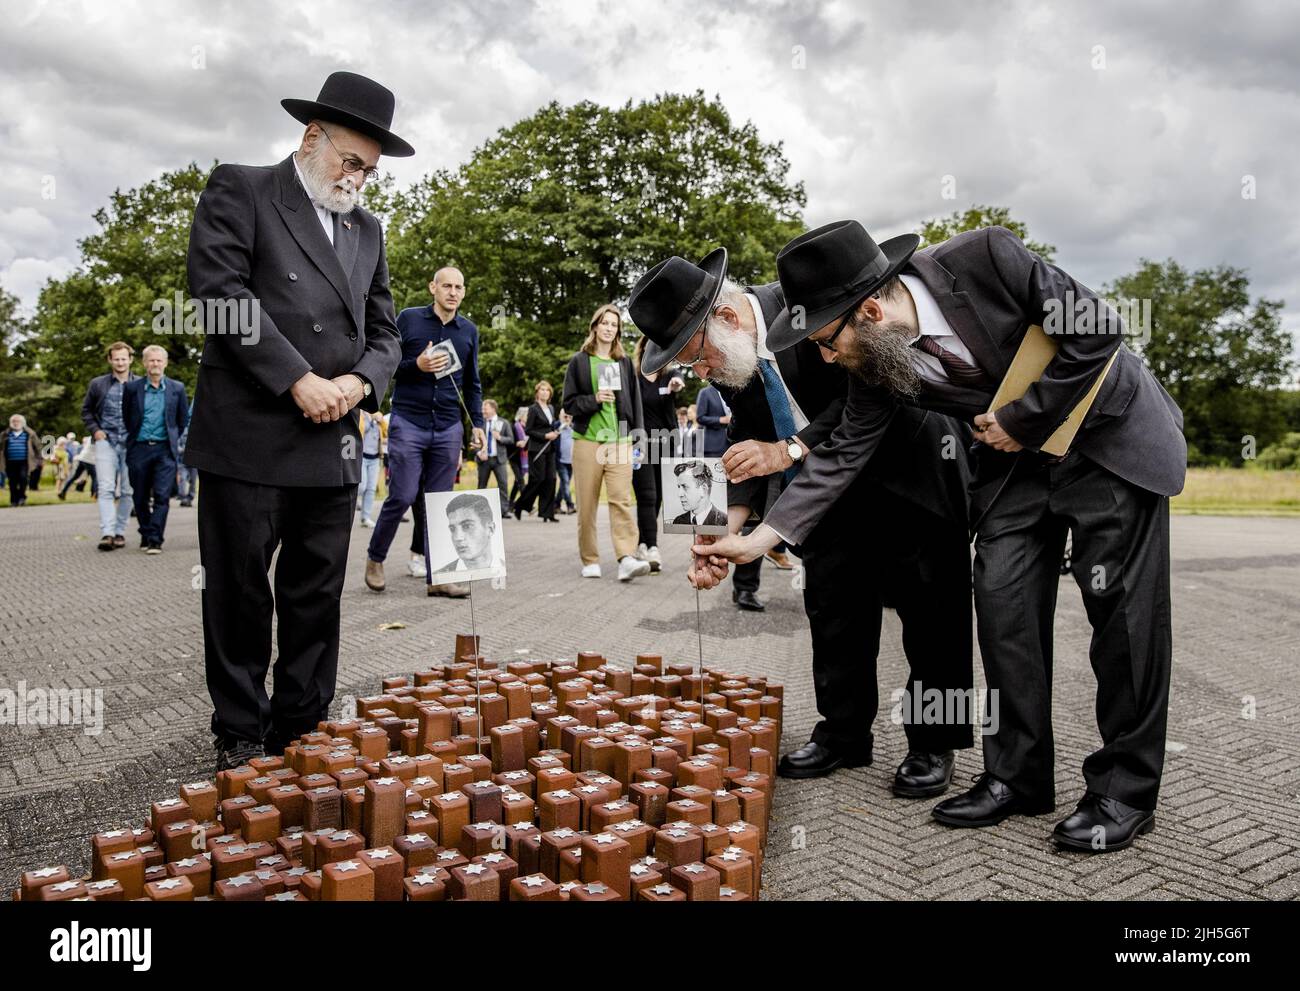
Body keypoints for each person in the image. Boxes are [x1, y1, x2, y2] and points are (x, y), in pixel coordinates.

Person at [700, 221, 1186, 852]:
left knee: (1124, 622)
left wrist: (1020, 418)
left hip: (1106, 440)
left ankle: (1124, 789)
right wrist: (758, 539)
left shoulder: (985, 256)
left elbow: (1096, 328)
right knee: (1004, 607)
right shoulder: (876, 363)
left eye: (826, 342)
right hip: (1014, 470)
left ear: (870, 311)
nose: (824, 359)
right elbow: (844, 449)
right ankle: (1017, 775)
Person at [633, 249, 973, 789]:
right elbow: (748, 440)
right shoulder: (730, 356)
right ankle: (843, 733)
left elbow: (865, 397)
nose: (698, 373)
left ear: (723, 319)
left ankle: (935, 741)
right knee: (834, 608)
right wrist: (725, 528)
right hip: (822, 494)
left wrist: (790, 449)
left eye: (695, 356)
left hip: (911, 469)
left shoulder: (811, 303)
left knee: (933, 614)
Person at [185, 70, 410, 771]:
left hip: (332, 441)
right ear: (313, 137)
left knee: (315, 597)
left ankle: (302, 725)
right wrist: (297, 379)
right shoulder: (243, 189)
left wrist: (355, 382)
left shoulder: (367, 229)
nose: (359, 180)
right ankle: (241, 731)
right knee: (240, 593)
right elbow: (217, 297)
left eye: (370, 172)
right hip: (250, 434)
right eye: (351, 162)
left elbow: (387, 333)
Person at [363, 264, 484, 599]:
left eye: (459, 287)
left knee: (441, 504)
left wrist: (478, 425)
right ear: (433, 287)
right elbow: (387, 365)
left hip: (447, 426)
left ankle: (439, 577)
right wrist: (416, 365)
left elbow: (473, 384)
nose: (453, 293)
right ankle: (375, 559)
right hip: (409, 422)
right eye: (447, 286)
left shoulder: (468, 331)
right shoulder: (409, 319)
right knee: (401, 495)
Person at [561, 304, 651, 582]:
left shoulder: (623, 362)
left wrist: (639, 437)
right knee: (587, 505)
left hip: (620, 441)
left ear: (618, 331)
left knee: (622, 500)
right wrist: (595, 399)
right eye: (605, 323)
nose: (609, 328)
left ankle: (626, 558)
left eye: (614, 324)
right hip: (588, 441)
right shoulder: (579, 361)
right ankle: (590, 560)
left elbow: (636, 402)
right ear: (595, 327)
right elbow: (569, 404)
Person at [122, 345, 189, 553]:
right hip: (139, 449)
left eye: (159, 360)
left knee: (161, 495)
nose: (155, 364)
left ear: (165, 363)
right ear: (144, 363)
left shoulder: (176, 389)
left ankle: (155, 539)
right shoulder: (132, 388)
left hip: (164, 450)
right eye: (151, 360)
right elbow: (127, 416)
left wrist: (172, 439)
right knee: (140, 496)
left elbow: (182, 418)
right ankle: (145, 532)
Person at [631, 336, 684, 572]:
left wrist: (676, 387)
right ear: (642, 350)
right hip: (640, 445)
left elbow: (678, 380)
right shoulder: (634, 379)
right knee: (647, 495)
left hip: (667, 445)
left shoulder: (669, 375)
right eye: (647, 346)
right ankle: (652, 547)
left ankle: (642, 542)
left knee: (660, 497)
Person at [81, 341, 138, 549]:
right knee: (105, 488)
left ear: (130, 359)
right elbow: (86, 411)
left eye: (124, 358)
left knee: (128, 490)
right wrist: (96, 431)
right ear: (110, 360)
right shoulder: (98, 384)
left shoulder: (138, 384)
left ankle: (120, 532)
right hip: (106, 441)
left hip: (130, 442)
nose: (120, 362)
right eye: (116, 359)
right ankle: (107, 533)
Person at [513, 380, 560, 522]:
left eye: (547, 390)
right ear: (537, 392)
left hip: (550, 449)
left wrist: (556, 432)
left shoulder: (551, 408)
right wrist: (545, 436)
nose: (545, 392)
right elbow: (529, 430)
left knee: (551, 479)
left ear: (550, 393)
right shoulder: (533, 409)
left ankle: (547, 513)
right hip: (537, 449)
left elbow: (551, 426)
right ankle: (520, 505)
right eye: (542, 390)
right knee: (537, 479)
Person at [434, 491, 506, 578]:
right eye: (452, 529)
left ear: (490, 529)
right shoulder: (440, 576)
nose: (457, 537)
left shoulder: (507, 569)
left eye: (467, 526)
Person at [476, 399, 515, 515]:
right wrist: (479, 452)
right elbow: (474, 441)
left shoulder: (504, 423)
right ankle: (478, 511)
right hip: (484, 460)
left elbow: (511, 440)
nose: (483, 411)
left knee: (503, 485)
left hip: (499, 460)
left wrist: (500, 438)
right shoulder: (479, 424)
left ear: (493, 409)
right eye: (483, 408)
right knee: (481, 485)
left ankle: (504, 510)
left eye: (485, 408)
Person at [670, 460, 728, 526]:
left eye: (685, 487)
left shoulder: (724, 522)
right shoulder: (678, 521)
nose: (679, 494)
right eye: (679, 487)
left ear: (703, 489)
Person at [4, 414, 42, 506]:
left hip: (24, 461)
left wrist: (39, 459)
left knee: (23, 478)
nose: (15, 423)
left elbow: (38, 447)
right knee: (12, 481)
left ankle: (22, 497)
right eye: (13, 421)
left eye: (18, 421)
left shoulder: (29, 434)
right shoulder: (6, 434)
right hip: (10, 461)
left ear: (23, 423)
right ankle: (13, 500)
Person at [356, 408, 382, 527]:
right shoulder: (360, 416)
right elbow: (360, 431)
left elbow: (386, 432)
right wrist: (367, 417)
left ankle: (365, 518)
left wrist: (378, 419)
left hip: (375, 457)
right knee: (362, 486)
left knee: (371, 489)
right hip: (362, 456)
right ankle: (353, 502)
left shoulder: (377, 415)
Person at [695, 383, 730, 457]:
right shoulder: (705, 392)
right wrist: (721, 420)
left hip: (732, 444)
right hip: (714, 446)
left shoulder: (730, 391)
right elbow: (700, 418)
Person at [59, 435, 97, 500]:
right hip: (89, 460)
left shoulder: (90, 437)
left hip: (82, 458)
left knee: (75, 476)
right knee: (94, 477)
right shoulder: (96, 437)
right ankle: (94, 495)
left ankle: (63, 492)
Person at [556, 411, 577, 514]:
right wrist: (561, 425)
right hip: (561, 461)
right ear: (561, 416)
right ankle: (570, 505)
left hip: (571, 461)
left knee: (564, 484)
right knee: (565, 482)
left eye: (569, 416)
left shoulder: (574, 428)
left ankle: (556, 505)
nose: (567, 418)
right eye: (565, 416)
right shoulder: (558, 428)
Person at [507, 408, 529, 509]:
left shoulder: (528, 428)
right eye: (527, 415)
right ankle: (527, 504)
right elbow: (510, 442)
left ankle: (510, 503)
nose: (528, 417)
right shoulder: (514, 426)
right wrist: (517, 444)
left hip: (523, 458)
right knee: (520, 480)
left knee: (517, 482)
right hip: (514, 457)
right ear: (521, 416)